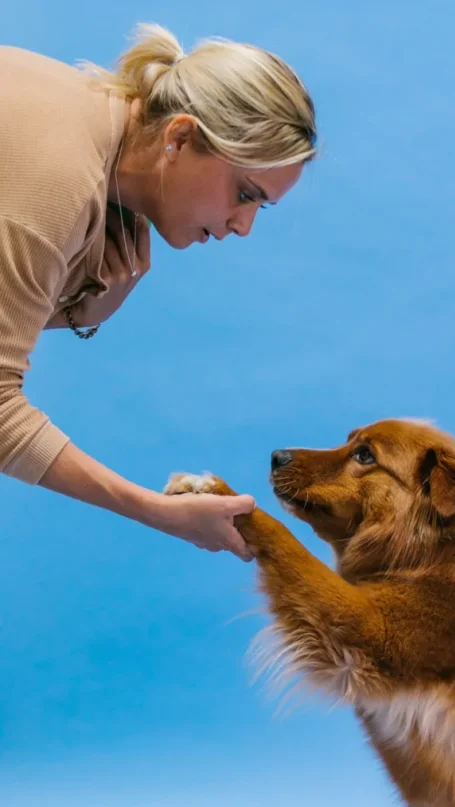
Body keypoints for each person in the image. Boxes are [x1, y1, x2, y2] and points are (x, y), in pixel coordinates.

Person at [0, 24, 317, 559]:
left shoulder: (84, 114)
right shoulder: (63, 178)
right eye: (244, 194)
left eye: (259, 207)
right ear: (178, 137)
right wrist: (155, 510)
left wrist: (78, 308)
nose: (243, 226)